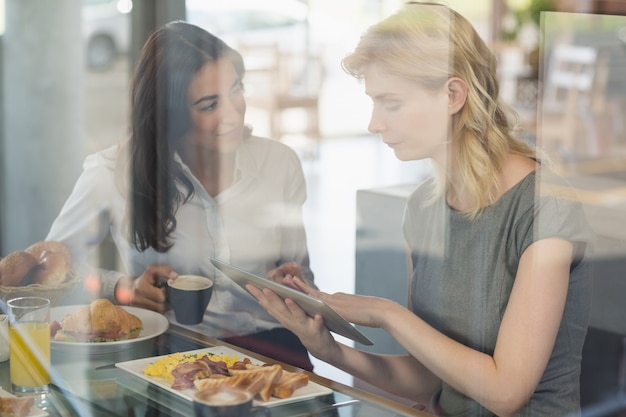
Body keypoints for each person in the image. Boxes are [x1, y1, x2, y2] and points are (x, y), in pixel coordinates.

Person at [248, 2, 594, 415]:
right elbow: (428, 377)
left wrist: (385, 312)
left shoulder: (545, 206)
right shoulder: (424, 208)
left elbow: (505, 393)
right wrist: (326, 347)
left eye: (390, 103)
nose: (374, 123)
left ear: (453, 94)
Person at [46, 21, 315, 370]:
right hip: (172, 353)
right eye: (208, 105)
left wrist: (293, 286)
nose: (233, 115)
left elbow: (304, 279)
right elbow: (50, 276)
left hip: (274, 349)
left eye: (236, 90)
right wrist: (122, 288)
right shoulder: (110, 174)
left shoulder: (279, 163)